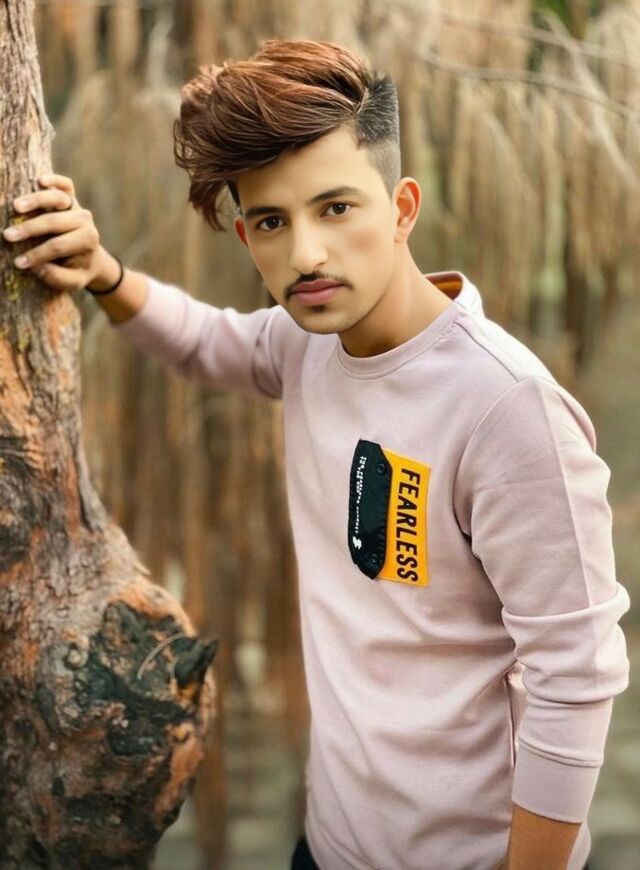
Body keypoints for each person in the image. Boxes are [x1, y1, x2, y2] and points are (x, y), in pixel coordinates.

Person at [3, 38, 628, 870]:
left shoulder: (506, 408)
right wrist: (104, 273)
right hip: (330, 847)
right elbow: (207, 341)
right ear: (246, 236)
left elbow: (575, 676)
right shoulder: (308, 346)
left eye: (336, 208)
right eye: (272, 221)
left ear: (401, 208)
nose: (305, 255)